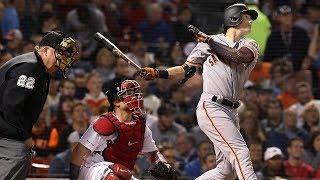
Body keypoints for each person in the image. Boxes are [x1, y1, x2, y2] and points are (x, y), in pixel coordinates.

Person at [139, 3, 259, 180]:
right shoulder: (207, 42)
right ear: (235, 18)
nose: (250, 20)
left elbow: (238, 56)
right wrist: (158, 73)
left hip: (231, 111)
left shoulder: (250, 44)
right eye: (247, 16)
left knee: (226, 171)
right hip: (212, 106)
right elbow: (186, 69)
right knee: (240, 152)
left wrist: (209, 41)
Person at [0, 30, 78, 179]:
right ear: (46, 50)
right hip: (8, 139)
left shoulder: (37, 67)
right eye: (61, 53)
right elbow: (10, 108)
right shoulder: (30, 67)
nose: (65, 59)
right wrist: (25, 137)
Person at [70, 80, 176, 180]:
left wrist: (164, 164)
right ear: (116, 102)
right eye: (129, 93)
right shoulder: (105, 123)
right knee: (114, 175)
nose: (135, 96)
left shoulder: (141, 126)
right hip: (94, 169)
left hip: (123, 173)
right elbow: (77, 154)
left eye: (136, 92)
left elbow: (152, 154)